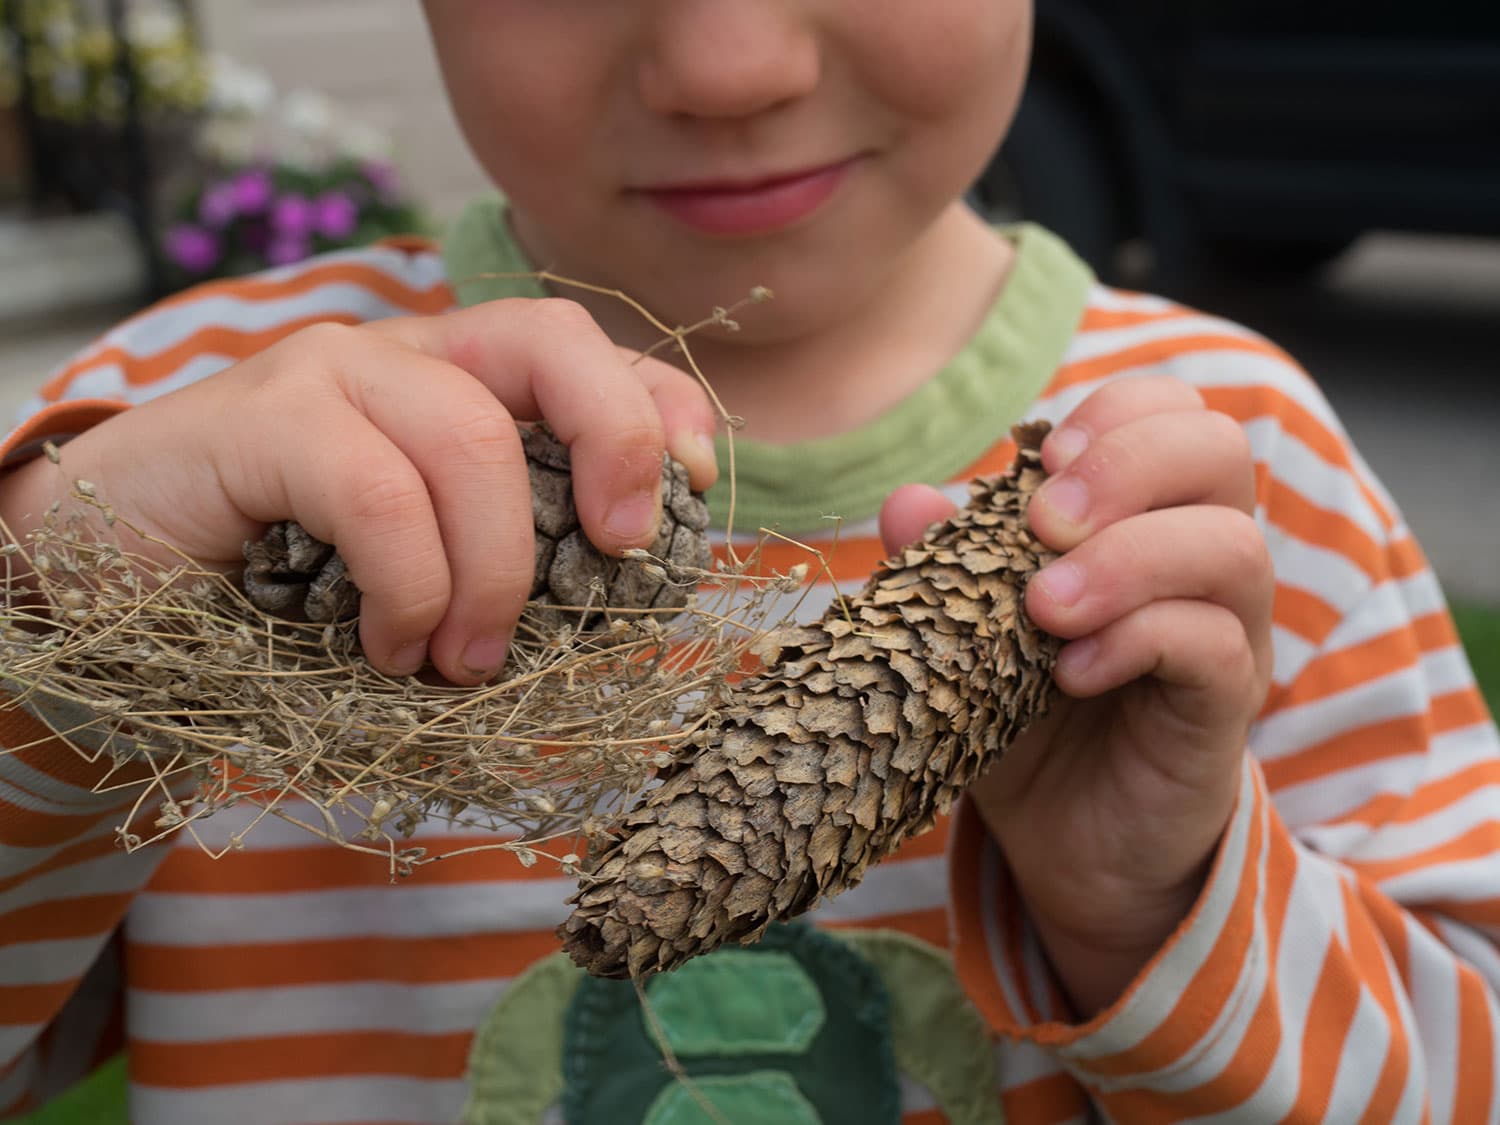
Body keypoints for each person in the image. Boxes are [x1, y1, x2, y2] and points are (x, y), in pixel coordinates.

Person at [2, 3, 1496, 1121]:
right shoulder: (173, 451)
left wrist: (1155, 900)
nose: (729, 67)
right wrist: (57, 623)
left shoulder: (1230, 472)